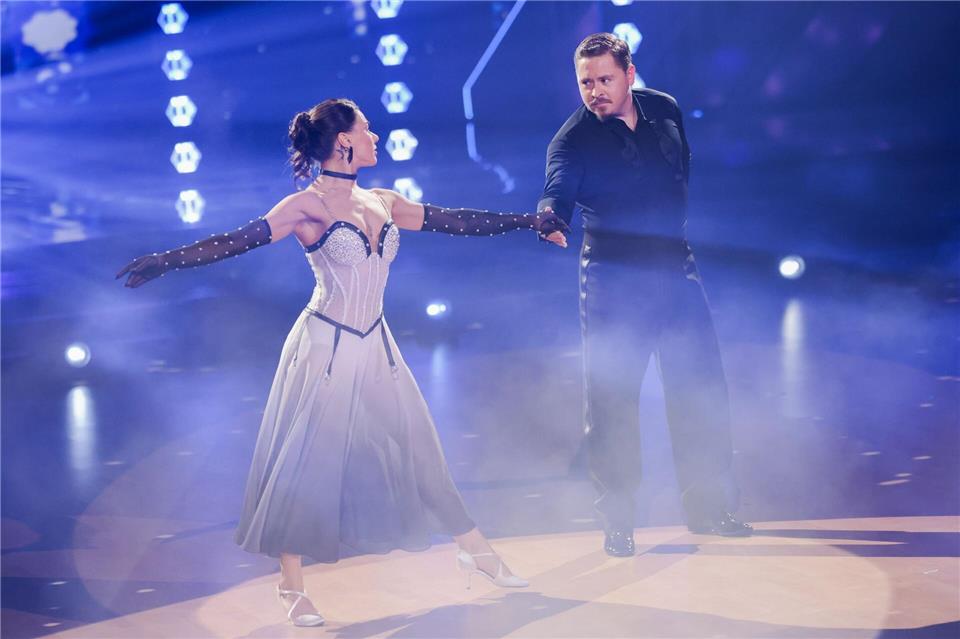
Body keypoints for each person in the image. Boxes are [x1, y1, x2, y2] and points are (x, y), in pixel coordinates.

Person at [117, 98, 568, 626]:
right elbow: (236, 241)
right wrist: (165, 261)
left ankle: (475, 549)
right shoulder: (305, 207)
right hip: (325, 345)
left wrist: (528, 220)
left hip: (376, 343)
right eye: (367, 129)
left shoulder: (382, 200)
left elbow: (456, 220)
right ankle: (291, 587)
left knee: (419, 445)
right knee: (308, 464)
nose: (376, 137)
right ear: (344, 142)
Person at [536, 33, 752, 558]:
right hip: (614, 279)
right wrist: (551, 214)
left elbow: (683, 172)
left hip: (676, 268)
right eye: (585, 82)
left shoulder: (665, 109)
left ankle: (709, 507)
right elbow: (558, 185)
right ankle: (619, 522)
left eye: (604, 79)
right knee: (612, 401)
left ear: (629, 74)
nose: (595, 92)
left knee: (699, 388)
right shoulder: (572, 140)